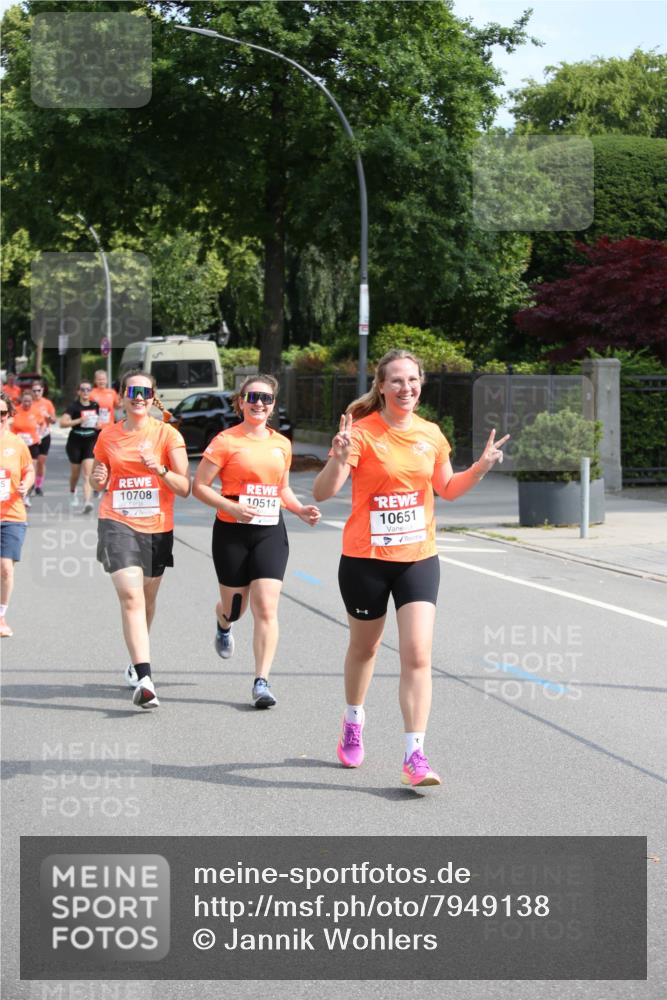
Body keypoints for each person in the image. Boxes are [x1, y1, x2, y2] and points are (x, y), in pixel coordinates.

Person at [313, 350, 508, 788]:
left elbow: (448, 489)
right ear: (381, 386)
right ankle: (353, 719)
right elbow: (325, 493)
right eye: (397, 381)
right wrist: (339, 457)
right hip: (365, 559)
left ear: (421, 384)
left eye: (413, 380)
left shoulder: (431, 434)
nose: (407, 388)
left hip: (419, 557)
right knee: (365, 650)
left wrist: (481, 466)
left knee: (418, 654)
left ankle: (415, 755)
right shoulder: (360, 433)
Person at [192, 374, 321, 709]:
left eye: (266, 399)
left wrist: (299, 509)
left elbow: (282, 489)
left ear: (273, 405)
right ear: (241, 402)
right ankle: (223, 624)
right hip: (231, 531)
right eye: (253, 397)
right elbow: (200, 487)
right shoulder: (224, 441)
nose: (259, 404)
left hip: (269, 531)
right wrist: (230, 506)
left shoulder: (281, 443)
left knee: (267, 605)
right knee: (236, 609)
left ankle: (261, 682)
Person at [91, 370, 190, 709]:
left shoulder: (167, 435)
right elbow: (98, 478)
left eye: (145, 391)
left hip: (157, 527)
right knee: (131, 597)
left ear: (153, 396)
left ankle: (136, 660)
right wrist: (97, 476)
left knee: (147, 599)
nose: (139, 396)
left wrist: (158, 469)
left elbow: (185, 487)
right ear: (122, 395)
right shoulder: (108, 435)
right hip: (117, 522)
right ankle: (146, 678)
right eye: (133, 390)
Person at [0, 392, 35, 637]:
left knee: (5, 568)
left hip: (11, 514)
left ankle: (0, 617)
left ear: (9, 415)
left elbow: (29, 468)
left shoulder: (16, 443)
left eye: (2, 413)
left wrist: (27, 484)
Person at [60, 381, 100, 513]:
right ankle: (72, 491)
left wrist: (98, 425)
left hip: (90, 440)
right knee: (75, 473)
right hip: (75, 441)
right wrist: (79, 421)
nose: (86, 392)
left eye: (88, 389)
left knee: (87, 473)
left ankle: (87, 502)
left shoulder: (95, 405)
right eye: (83, 389)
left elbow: (99, 421)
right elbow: (62, 423)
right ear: (78, 392)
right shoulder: (73, 407)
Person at [9, 389, 40, 508]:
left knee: (31, 470)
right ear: (21, 400)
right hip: (18, 445)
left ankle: (27, 496)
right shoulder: (15, 411)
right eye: (25, 401)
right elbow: (9, 424)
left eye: (29, 401)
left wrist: (40, 435)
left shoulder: (36, 411)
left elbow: (42, 424)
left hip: (32, 445)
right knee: (19, 471)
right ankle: (18, 493)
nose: (27, 403)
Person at [30, 380, 57, 495]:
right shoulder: (29, 402)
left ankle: (38, 485)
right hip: (32, 437)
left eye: (39, 390)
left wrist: (49, 417)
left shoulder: (47, 403)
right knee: (31, 462)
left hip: (45, 435)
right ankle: (30, 484)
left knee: (41, 462)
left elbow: (54, 420)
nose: (36, 393)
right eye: (34, 391)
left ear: (42, 390)